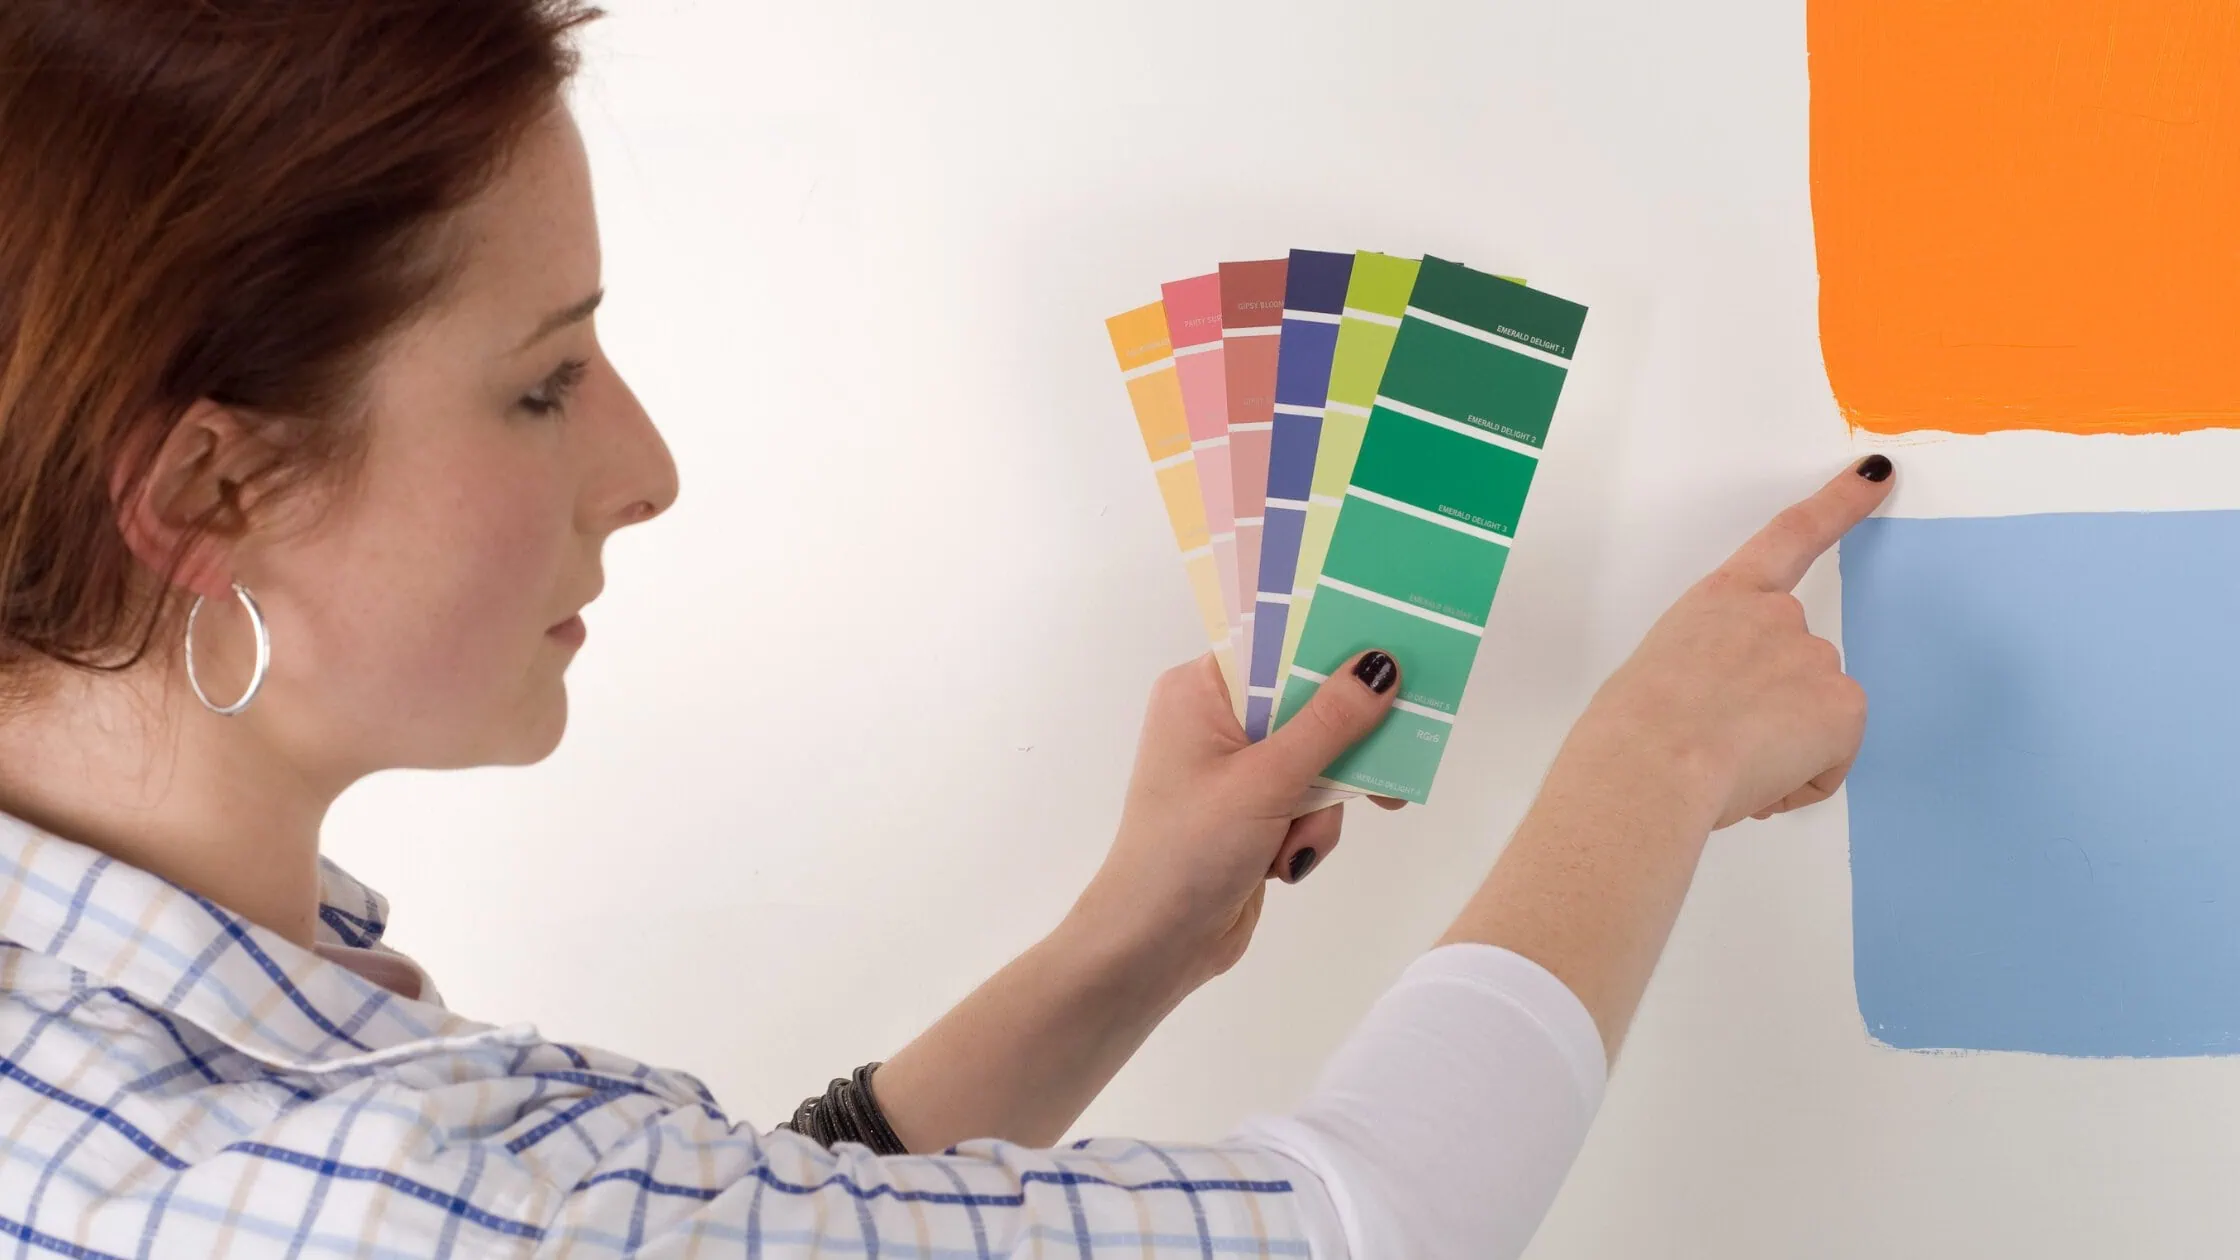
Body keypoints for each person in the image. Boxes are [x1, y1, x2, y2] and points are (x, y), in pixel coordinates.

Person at [0, 2, 1893, 1257]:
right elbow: (1363, 1227)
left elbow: (751, 1219)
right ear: (209, 492)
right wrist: (1659, 757)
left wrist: (1130, 944)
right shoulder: (345, 1198)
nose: (646, 469)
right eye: (544, 383)